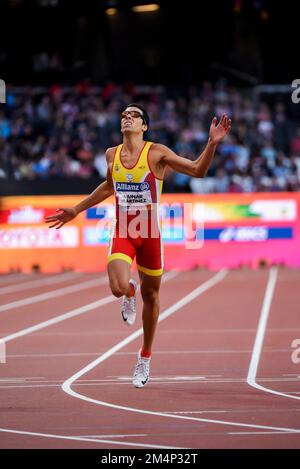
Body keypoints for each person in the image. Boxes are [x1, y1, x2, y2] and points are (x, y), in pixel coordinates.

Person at [45, 103, 231, 388]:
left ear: (144, 126)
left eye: (134, 115)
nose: (127, 118)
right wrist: (76, 209)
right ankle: (128, 291)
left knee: (153, 297)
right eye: (124, 115)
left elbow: (197, 170)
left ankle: (144, 356)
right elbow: (109, 186)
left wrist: (211, 144)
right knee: (118, 287)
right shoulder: (112, 155)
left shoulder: (157, 153)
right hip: (123, 229)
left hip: (150, 233)